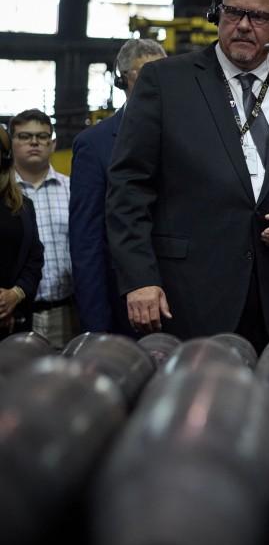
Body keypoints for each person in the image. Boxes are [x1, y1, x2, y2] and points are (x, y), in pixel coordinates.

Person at [106, 0, 269, 353]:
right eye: (234, 12)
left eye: (260, 16)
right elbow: (128, 187)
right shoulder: (166, 83)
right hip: (186, 299)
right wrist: (138, 278)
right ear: (217, 15)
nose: (245, 25)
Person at [70, 38, 166, 335]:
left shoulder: (188, 138)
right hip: (124, 310)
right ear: (122, 80)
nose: (157, 83)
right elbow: (87, 244)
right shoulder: (94, 145)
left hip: (185, 306)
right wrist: (97, 329)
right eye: (146, 74)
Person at [9, 109, 75, 346]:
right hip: (13, 313)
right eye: (25, 136)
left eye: (42, 136)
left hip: (66, 313)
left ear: (53, 143)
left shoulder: (73, 191)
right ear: (11, 143)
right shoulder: (5, 195)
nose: (35, 142)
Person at [0, 124, 44, 337]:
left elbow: (34, 259)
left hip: (15, 326)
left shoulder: (23, 207)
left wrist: (15, 294)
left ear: (5, 158)